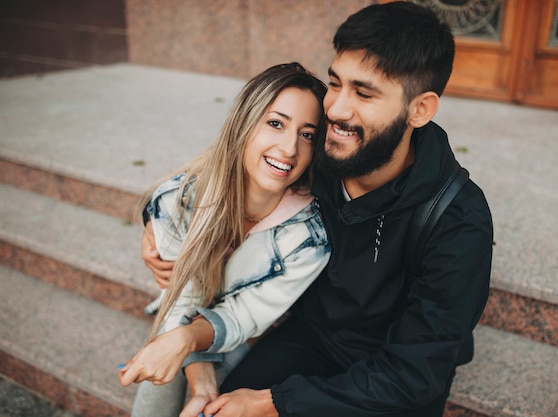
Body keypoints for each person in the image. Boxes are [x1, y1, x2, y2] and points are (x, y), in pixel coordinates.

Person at [125, 2, 494, 417]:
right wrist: (155, 225)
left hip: (392, 383)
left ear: (420, 109)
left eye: (364, 93)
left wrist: (272, 403)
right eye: (336, 83)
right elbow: (220, 175)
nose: (335, 108)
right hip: (309, 340)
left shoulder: (458, 221)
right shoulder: (312, 153)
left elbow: (415, 375)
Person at [118, 62, 331, 417]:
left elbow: (243, 317)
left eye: (307, 134)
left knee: (217, 378)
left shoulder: (309, 237)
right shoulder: (180, 199)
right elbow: (183, 300)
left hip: (256, 332)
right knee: (165, 351)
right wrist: (197, 376)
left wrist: (187, 347)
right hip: (192, 310)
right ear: (244, 124)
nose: (290, 148)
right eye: (275, 123)